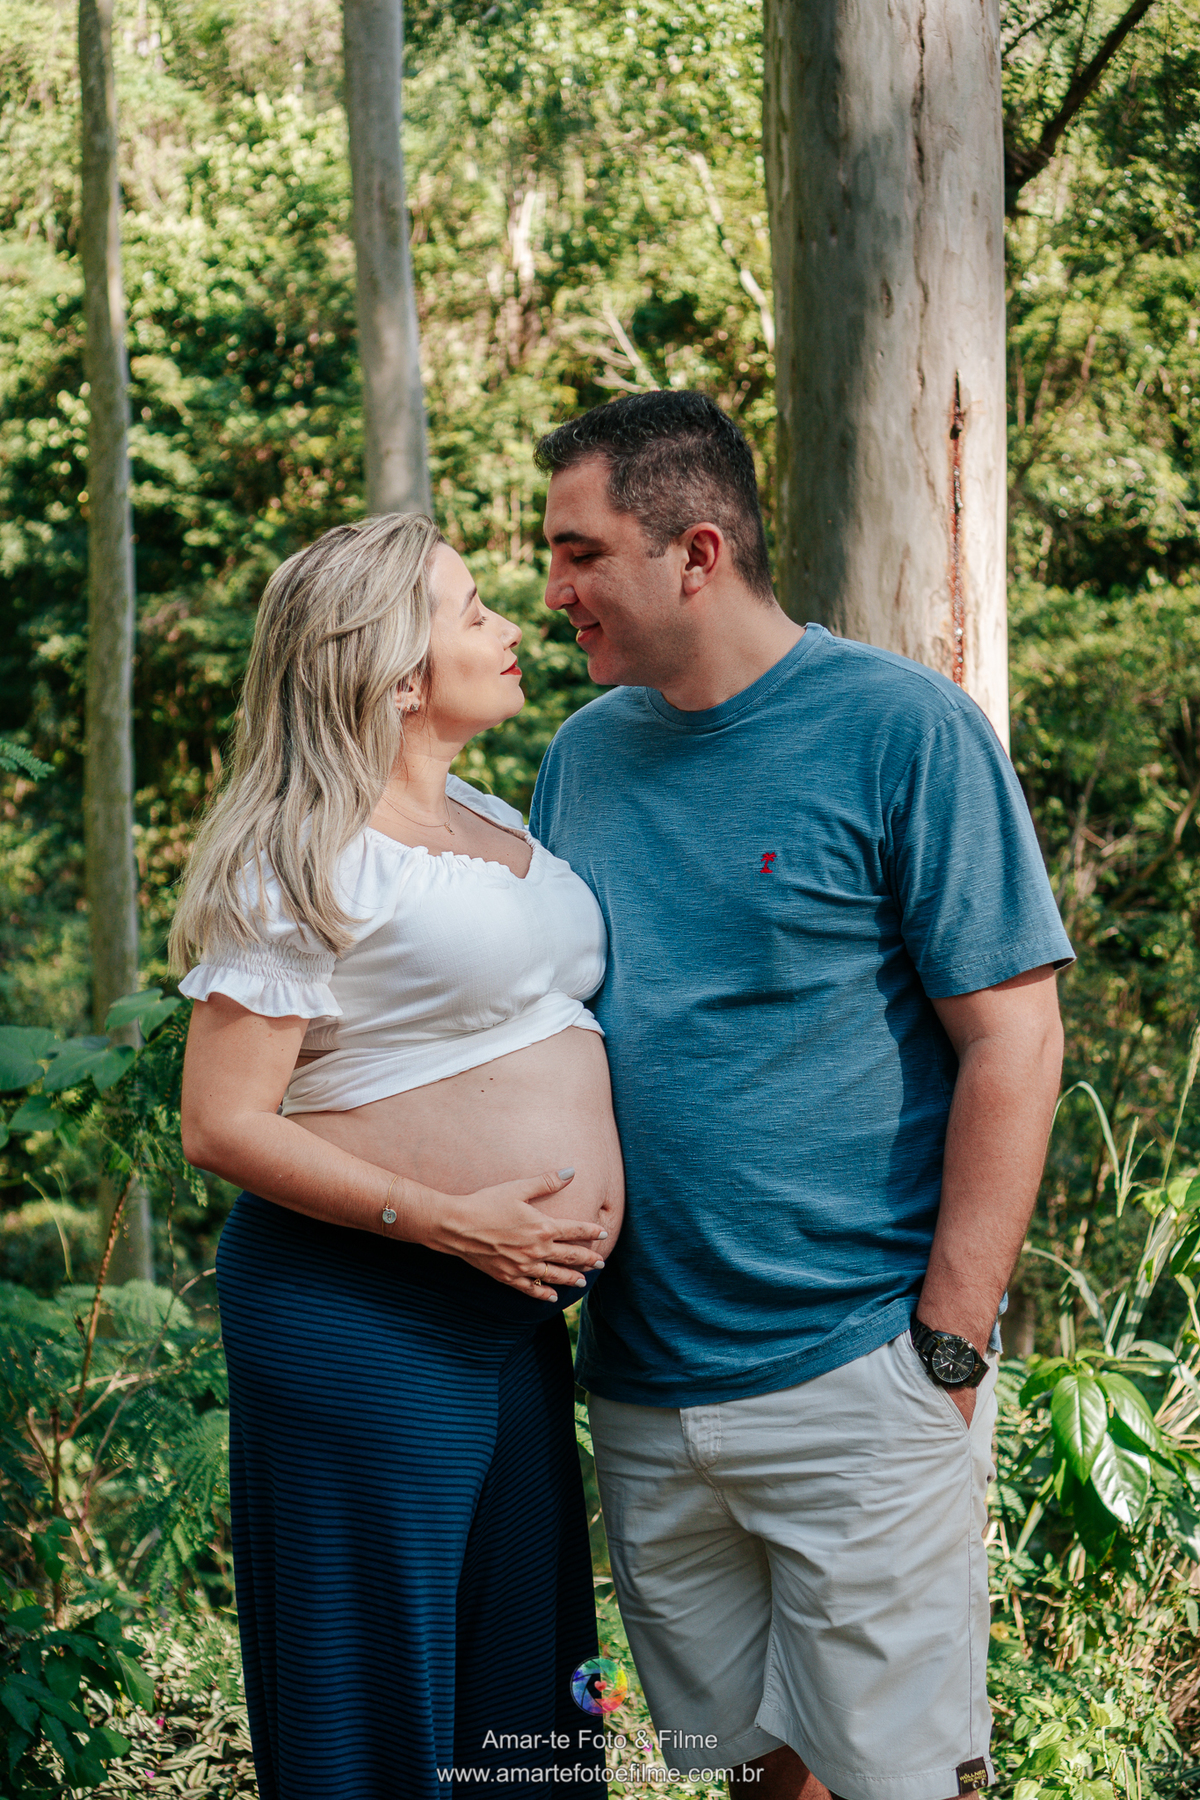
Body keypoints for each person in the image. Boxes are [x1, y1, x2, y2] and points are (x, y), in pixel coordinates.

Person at [527, 392, 1073, 1800]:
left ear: (695, 552)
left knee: (901, 1779)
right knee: (756, 1776)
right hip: (646, 1390)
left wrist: (947, 1346)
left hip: (856, 1364)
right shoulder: (581, 758)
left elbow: (1015, 1038)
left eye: (580, 552)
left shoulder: (903, 732)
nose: (553, 590)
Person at [171, 513, 621, 1800]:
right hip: (363, 1314)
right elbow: (223, 1123)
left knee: (528, 1699)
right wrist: (442, 1218)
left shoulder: (485, 810)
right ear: (391, 666)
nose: (509, 625)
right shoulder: (297, 857)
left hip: (509, 1312)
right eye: (472, 608)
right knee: (375, 1697)